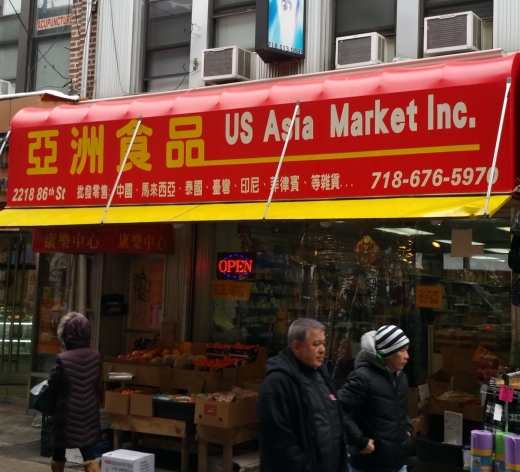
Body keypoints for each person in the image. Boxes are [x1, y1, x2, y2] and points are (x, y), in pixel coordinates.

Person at [258, 318, 348, 472]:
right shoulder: (277, 383)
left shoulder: (321, 373)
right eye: (316, 344)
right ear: (296, 347)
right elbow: (279, 441)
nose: (322, 350)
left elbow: (335, 417)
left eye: (323, 343)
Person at [338, 325, 413, 472]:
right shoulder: (362, 379)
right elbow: (336, 408)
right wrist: (359, 440)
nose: (407, 356)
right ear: (387, 353)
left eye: (407, 349)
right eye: (402, 350)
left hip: (398, 463)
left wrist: (408, 428)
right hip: (368, 465)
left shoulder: (401, 378)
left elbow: (398, 408)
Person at [48, 312, 102, 472]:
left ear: (67, 334)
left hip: (67, 411)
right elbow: (96, 382)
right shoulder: (96, 356)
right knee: (86, 446)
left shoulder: (63, 359)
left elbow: (54, 383)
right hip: (89, 408)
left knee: (59, 445)